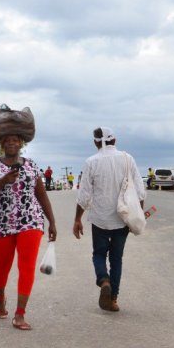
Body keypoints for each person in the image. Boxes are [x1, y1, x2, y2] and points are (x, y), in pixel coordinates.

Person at [0, 104, 57, 331]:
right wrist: (2, 181)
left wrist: (52, 222)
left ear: (22, 143)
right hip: (0, 224)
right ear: (1, 143)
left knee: (27, 266)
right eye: (7, 140)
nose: (12, 143)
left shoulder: (32, 166)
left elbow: (41, 196)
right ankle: (0, 299)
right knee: (1, 268)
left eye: (16, 140)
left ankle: (20, 314)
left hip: (30, 222)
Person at [73, 127, 146, 312]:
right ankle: (113, 299)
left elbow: (84, 195)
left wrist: (77, 219)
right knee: (116, 259)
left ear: (95, 142)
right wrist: (137, 214)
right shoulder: (127, 159)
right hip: (122, 218)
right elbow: (139, 190)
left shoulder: (91, 162)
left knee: (99, 254)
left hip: (100, 219)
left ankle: (103, 280)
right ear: (115, 140)